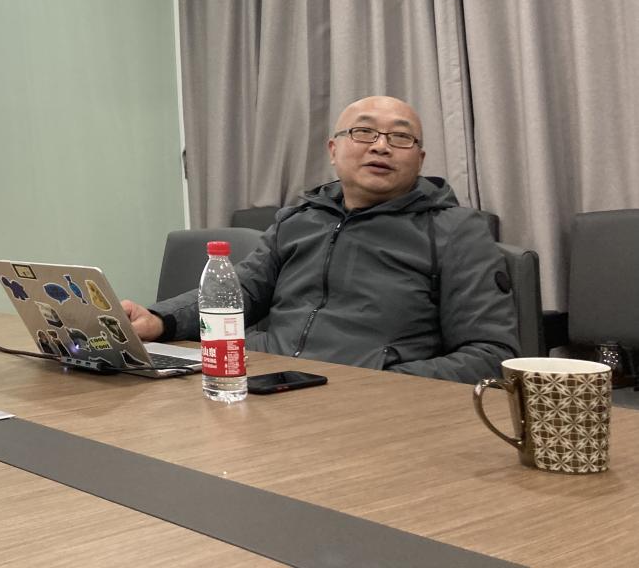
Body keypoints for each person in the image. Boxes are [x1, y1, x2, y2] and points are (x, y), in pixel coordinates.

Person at [122, 96, 519, 383]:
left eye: (400, 138)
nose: (381, 146)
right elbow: (239, 291)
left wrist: (379, 382)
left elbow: (490, 354)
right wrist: (159, 320)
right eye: (363, 132)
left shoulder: (456, 230)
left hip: (371, 405)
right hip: (271, 382)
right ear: (333, 149)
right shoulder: (299, 218)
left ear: (420, 159)